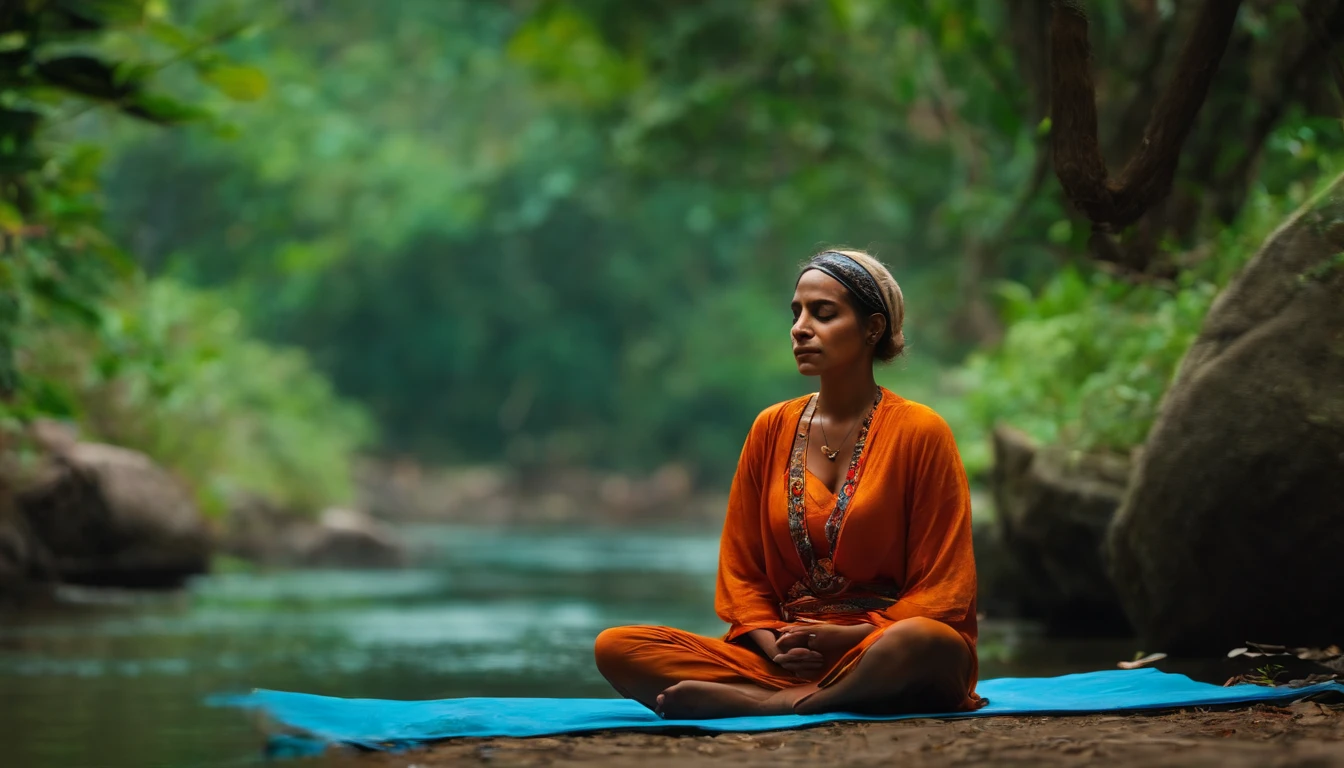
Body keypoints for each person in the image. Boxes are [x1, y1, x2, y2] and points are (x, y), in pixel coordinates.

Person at [593, 248, 983, 720]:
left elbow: (943, 589)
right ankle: (812, 693)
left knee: (926, 641)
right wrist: (775, 643)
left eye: (823, 313)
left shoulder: (921, 431)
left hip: (882, 646)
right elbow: (743, 576)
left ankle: (774, 703)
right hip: (788, 654)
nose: (800, 328)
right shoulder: (769, 428)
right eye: (796, 313)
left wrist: (851, 636)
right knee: (617, 646)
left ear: (872, 328)